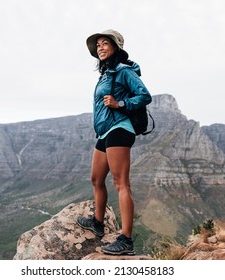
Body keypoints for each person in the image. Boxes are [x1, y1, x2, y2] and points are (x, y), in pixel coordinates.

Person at [77, 29, 152, 255]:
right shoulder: (106, 73)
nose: (100, 47)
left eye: (104, 43)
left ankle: (126, 240)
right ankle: (98, 223)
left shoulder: (124, 71)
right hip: (105, 132)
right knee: (96, 179)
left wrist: (120, 104)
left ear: (115, 47)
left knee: (121, 183)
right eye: (97, 45)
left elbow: (145, 95)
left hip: (120, 128)